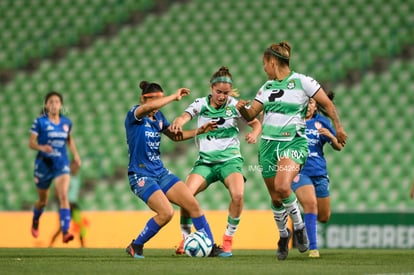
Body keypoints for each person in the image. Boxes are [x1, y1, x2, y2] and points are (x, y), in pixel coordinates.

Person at [236, 41, 347, 260]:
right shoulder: (266, 87)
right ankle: (282, 234)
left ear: (273, 61)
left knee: (283, 185)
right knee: (276, 198)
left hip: (293, 143)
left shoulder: (303, 82)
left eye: (264, 64)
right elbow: (251, 115)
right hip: (268, 146)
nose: (264, 68)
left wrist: (339, 128)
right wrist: (242, 109)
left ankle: (299, 228)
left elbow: (328, 104)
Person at [170, 66, 262, 257]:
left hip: (230, 161)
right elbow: (185, 115)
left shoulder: (235, 105)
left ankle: (227, 239)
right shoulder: (201, 104)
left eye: (225, 93)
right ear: (211, 89)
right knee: (185, 196)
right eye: (218, 92)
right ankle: (186, 238)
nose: (222, 96)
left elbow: (256, 122)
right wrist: (179, 121)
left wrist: (254, 133)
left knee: (238, 195)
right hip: (205, 162)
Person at [124, 80, 222, 258]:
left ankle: (210, 246)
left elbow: (176, 137)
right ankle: (135, 245)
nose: (157, 105)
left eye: (159, 101)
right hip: (141, 175)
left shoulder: (159, 117)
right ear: (143, 99)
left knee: (192, 204)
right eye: (154, 100)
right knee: (166, 213)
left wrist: (199, 130)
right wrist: (173, 97)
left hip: (160, 172)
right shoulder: (135, 114)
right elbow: (149, 107)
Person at [291, 91, 343, 258]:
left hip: (319, 173)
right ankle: (313, 248)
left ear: (315, 107)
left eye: (311, 103)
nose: (307, 106)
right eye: (304, 103)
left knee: (324, 216)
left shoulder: (321, 122)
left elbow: (339, 147)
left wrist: (330, 136)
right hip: (299, 173)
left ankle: (302, 222)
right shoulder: (293, 122)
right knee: (310, 204)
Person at [29, 91, 81, 243]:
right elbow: (31, 143)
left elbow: (69, 139)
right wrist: (41, 147)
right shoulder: (40, 122)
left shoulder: (66, 123)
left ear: (61, 105)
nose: (54, 104)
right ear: (46, 105)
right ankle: (36, 219)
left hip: (61, 163)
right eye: (50, 102)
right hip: (44, 164)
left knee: (63, 196)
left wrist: (76, 155)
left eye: (57, 102)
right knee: (43, 201)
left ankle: (65, 232)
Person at [49, 160, 88, 247]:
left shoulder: (77, 178)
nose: (76, 168)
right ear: (70, 166)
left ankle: (83, 246)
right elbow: (56, 191)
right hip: (66, 205)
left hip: (74, 205)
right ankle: (50, 244)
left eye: (77, 167)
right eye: (74, 166)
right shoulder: (66, 178)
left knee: (81, 225)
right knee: (62, 227)